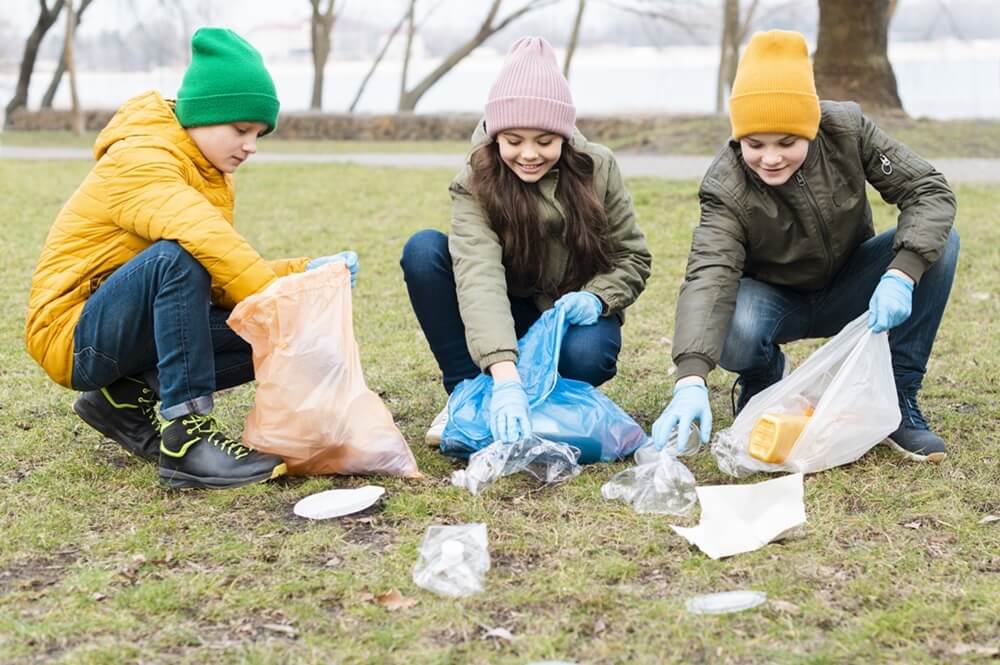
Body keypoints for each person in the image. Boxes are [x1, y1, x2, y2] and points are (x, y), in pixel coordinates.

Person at [24, 28, 359, 489]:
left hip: (122, 325)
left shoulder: (205, 169)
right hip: (74, 334)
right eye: (241, 130)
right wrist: (275, 294)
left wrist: (302, 276)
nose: (251, 146)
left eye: (259, 134)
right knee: (177, 258)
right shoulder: (141, 157)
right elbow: (201, 245)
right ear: (204, 113)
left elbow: (217, 276)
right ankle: (187, 440)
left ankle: (121, 399)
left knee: (274, 327)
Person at [652, 30, 959, 462]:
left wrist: (901, 272)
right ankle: (763, 378)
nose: (770, 158)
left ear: (811, 128)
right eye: (754, 144)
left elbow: (928, 190)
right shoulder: (724, 185)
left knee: (939, 246)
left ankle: (899, 396)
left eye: (787, 142)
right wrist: (690, 379)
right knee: (735, 326)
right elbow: (709, 276)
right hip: (776, 302)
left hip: (854, 285)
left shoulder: (847, 129)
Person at [401, 36, 652, 447]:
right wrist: (504, 377)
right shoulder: (474, 181)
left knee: (588, 357)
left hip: (570, 315)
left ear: (565, 136)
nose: (529, 154)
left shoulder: (599, 167)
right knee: (424, 250)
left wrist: (597, 297)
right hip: (506, 308)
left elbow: (632, 257)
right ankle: (469, 394)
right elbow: (478, 276)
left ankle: (548, 396)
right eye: (514, 141)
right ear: (496, 136)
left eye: (544, 141)